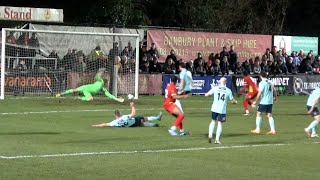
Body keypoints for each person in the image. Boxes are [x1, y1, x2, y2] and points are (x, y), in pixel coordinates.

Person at [205, 77, 237, 144]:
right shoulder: (228, 90)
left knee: (213, 121)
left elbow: (206, 95)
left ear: (220, 82)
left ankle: (210, 134)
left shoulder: (215, 88)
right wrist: (235, 102)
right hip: (222, 109)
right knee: (220, 123)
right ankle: (217, 139)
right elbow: (232, 101)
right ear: (225, 82)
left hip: (214, 108)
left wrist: (212, 89)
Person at [55, 71, 124, 102]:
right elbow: (97, 76)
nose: (107, 85)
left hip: (86, 90)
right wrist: (101, 72)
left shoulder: (103, 89)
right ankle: (60, 94)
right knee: (74, 90)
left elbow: (110, 95)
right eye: (107, 83)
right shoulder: (100, 82)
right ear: (105, 82)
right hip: (86, 87)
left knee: (90, 99)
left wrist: (117, 99)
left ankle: (79, 98)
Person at [92, 101, 162, 127]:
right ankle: (157, 118)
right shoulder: (124, 117)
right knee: (144, 118)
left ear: (115, 116)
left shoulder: (115, 122)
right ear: (120, 114)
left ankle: (154, 125)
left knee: (142, 124)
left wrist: (95, 125)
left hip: (132, 125)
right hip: (134, 121)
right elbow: (133, 113)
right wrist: (132, 106)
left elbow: (105, 124)